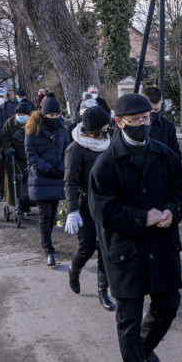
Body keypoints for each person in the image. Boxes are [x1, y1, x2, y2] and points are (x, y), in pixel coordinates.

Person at [89, 92, 182, 362]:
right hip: (126, 251)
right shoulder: (106, 163)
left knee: (169, 304)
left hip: (161, 244)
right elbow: (102, 211)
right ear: (119, 123)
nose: (142, 125)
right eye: (135, 121)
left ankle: (145, 349)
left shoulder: (163, 154)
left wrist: (172, 212)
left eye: (146, 119)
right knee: (129, 318)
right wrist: (141, 217)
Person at [64, 104, 116, 311]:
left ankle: (103, 291)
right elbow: (69, 182)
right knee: (86, 248)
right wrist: (72, 211)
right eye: (104, 127)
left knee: (105, 248)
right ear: (94, 128)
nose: (108, 129)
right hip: (85, 204)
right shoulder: (76, 148)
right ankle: (74, 269)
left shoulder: (110, 143)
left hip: (107, 203)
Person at [24, 93, 69, 266]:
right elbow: (31, 154)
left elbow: (67, 150)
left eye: (57, 115)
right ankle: (48, 247)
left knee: (52, 214)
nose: (54, 118)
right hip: (41, 176)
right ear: (44, 114)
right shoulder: (32, 129)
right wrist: (47, 168)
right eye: (51, 115)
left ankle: (47, 240)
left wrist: (60, 168)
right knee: (44, 214)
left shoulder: (61, 129)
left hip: (57, 175)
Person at [0, 87, 18, 200]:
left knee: (12, 168)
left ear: (6, 96)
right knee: (0, 169)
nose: (0, 98)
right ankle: (1, 192)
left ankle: (12, 191)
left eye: (2, 96)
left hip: (11, 142)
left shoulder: (12, 108)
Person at [140, 86, 181, 158]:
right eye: (149, 110)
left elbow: (176, 155)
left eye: (156, 109)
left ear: (161, 103)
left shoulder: (169, 126)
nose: (152, 113)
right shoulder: (132, 125)